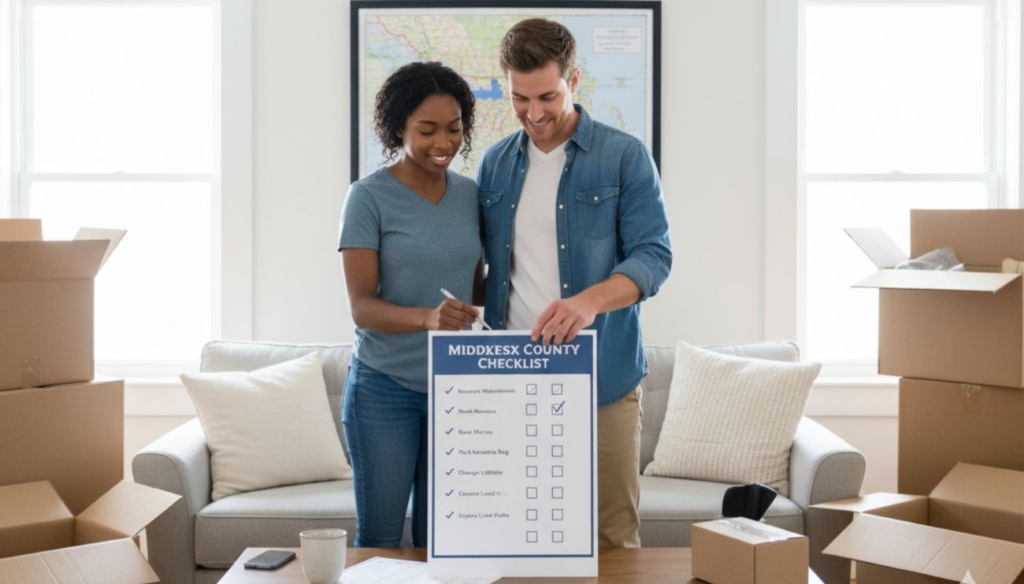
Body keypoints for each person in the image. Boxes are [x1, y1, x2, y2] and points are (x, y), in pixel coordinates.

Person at [477, 19, 672, 548]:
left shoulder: (624, 156)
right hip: (512, 379)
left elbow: (654, 256)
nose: (534, 113)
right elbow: (488, 269)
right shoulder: (495, 164)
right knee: (516, 537)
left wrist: (588, 302)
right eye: (520, 98)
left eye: (548, 96)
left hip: (602, 380)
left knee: (612, 539)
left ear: (575, 79)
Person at [338, 61, 482, 547]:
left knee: (441, 541)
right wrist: (428, 318)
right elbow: (362, 306)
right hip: (384, 389)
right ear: (398, 127)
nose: (443, 144)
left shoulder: (471, 196)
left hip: (457, 390)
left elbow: (476, 281)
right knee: (379, 536)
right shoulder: (367, 198)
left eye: (454, 129)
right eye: (427, 130)